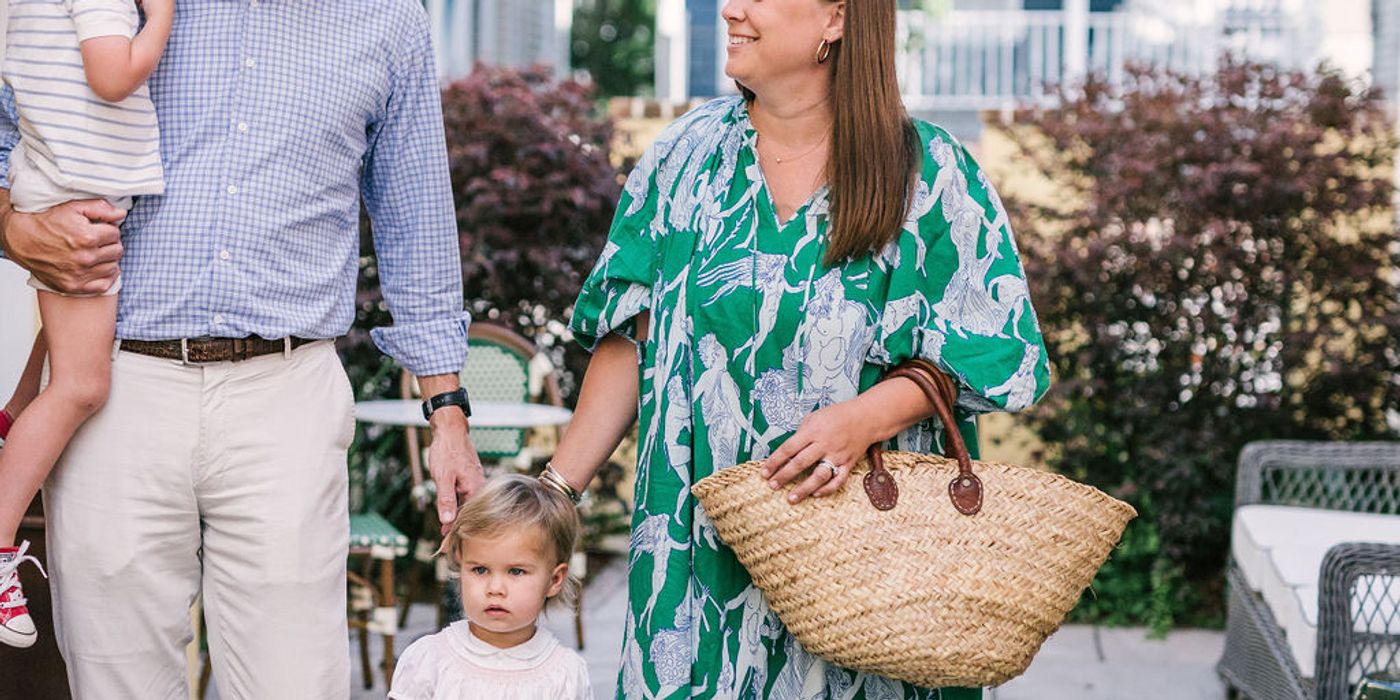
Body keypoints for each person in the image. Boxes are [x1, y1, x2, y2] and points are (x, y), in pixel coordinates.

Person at [541, 0, 1052, 697]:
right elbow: (633, 340)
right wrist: (552, 494)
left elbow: (1002, 348)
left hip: (872, 574)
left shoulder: (931, 174)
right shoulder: (683, 159)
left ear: (837, 18)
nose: (730, 8)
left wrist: (862, 421)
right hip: (698, 573)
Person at [0, 0, 484, 695]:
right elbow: (6, 132)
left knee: (294, 682)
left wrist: (449, 413)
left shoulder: (389, 16)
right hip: (114, 389)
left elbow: (418, 217)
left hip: (287, 394)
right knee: (114, 683)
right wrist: (15, 231)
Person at [0, 0, 173, 650]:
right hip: (75, 199)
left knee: (64, 348)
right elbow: (109, 74)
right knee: (81, 385)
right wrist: (159, 19)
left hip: (61, 181)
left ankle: (12, 420)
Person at [390, 474, 592, 699]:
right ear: (461, 565)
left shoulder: (564, 674)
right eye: (480, 570)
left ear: (554, 580)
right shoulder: (429, 660)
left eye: (516, 571)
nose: (495, 588)